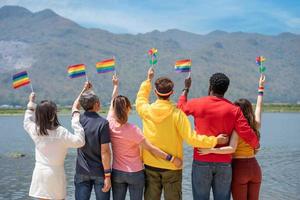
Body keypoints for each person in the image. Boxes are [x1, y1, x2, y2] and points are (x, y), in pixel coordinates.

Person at [135, 68, 228, 200]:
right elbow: (191, 139)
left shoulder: (146, 110)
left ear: (156, 93)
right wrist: (215, 140)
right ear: (172, 93)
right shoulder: (177, 114)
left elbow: (140, 98)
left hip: (150, 166)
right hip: (173, 166)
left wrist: (148, 80)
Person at [177, 73, 260, 200]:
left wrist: (186, 89)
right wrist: (256, 145)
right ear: (226, 89)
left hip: (201, 160)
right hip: (224, 163)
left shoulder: (197, 103)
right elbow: (246, 132)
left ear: (210, 86)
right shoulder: (234, 110)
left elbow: (180, 109)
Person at [108, 74, 182, 200]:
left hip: (117, 173)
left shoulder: (110, 123)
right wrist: (171, 158)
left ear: (114, 109)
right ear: (128, 109)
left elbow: (112, 102)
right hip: (135, 173)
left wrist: (115, 86)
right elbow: (151, 148)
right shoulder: (133, 130)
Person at [198, 74, 266, 200]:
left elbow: (231, 148)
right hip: (255, 168)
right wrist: (260, 89)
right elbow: (259, 107)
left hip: (239, 168)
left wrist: (210, 150)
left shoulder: (237, 128)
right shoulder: (255, 125)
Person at [23, 84, 88, 200]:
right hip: (55, 174)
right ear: (53, 115)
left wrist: (31, 103)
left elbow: (27, 121)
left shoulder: (36, 130)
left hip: (40, 173)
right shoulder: (61, 132)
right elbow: (80, 142)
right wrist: (76, 121)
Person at [74, 83, 112, 200]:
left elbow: (75, 106)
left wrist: (84, 89)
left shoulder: (77, 120)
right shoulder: (103, 123)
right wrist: (107, 176)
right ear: (96, 104)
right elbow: (105, 151)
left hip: (81, 171)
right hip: (99, 172)